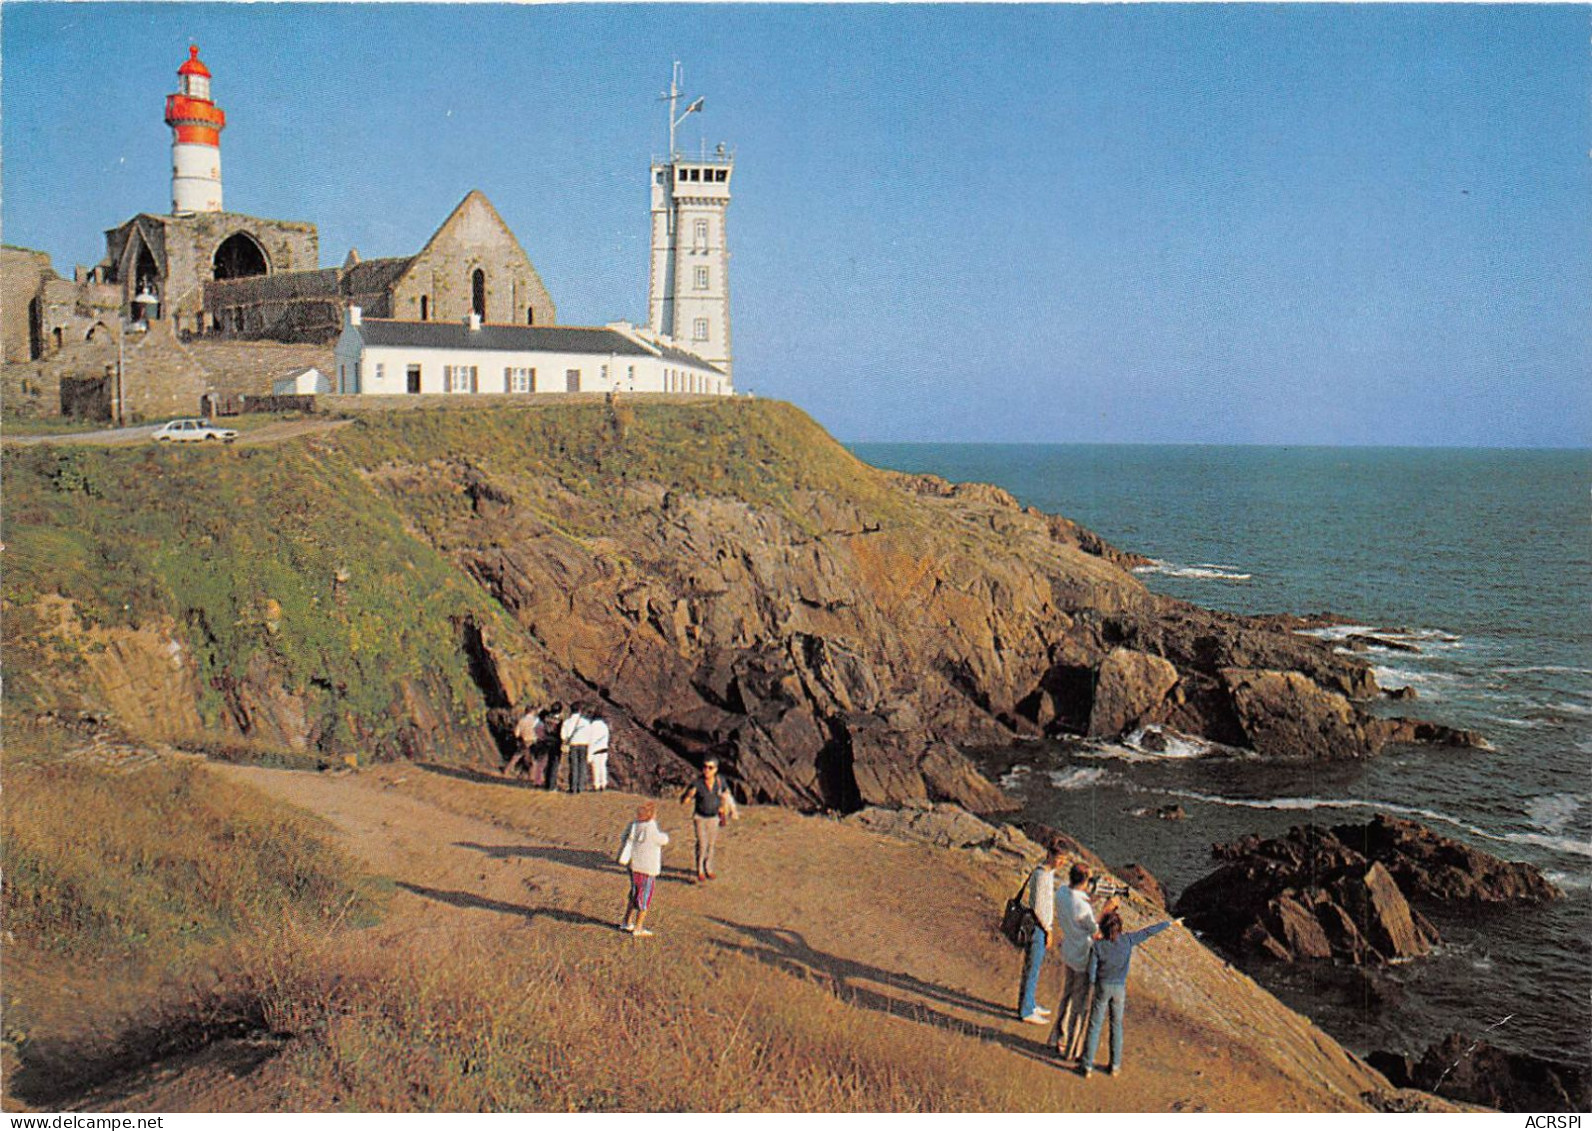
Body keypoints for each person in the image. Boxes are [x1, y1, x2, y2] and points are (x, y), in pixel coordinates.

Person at [1078, 910, 1177, 1078]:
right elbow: (1148, 932)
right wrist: (1169, 924)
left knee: (1095, 1025)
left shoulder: (1098, 946)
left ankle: (1087, 1065)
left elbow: (1091, 972)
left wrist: (1093, 984)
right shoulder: (1127, 941)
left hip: (1102, 986)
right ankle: (1115, 1066)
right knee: (1116, 1026)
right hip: (1119, 989)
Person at [1050, 863, 1119, 1062]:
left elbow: (1080, 909)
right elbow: (1095, 930)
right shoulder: (1082, 906)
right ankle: (1071, 1049)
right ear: (1085, 881)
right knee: (1079, 1005)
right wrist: (1106, 910)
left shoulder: (1062, 891)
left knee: (1066, 995)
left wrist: (1096, 897)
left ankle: (1057, 1037)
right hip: (1082, 957)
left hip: (1069, 951)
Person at [1016, 842, 1065, 1023]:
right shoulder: (1043, 876)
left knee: (1034, 967)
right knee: (1032, 968)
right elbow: (1038, 907)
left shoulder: (1047, 873)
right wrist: (1048, 930)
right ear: (1050, 855)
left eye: (1064, 860)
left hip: (1040, 926)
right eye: (1059, 858)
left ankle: (1029, 1003)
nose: (1061, 863)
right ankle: (1026, 1011)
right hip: (1038, 927)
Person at [679, 757, 736, 882]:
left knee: (711, 844)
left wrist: (728, 808)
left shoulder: (720, 781)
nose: (706, 770)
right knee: (702, 843)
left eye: (710, 768)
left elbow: (727, 794)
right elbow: (684, 801)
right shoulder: (697, 783)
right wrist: (689, 795)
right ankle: (699, 869)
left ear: (715, 769)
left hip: (714, 817)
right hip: (700, 817)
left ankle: (708, 868)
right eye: (705, 767)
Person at [618, 801, 670, 937]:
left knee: (634, 894)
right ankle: (638, 926)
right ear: (652, 815)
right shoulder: (651, 827)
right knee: (644, 897)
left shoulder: (634, 825)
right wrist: (665, 836)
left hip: (634, 866)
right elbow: (662, 840)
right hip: (647, 868)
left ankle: (626, 921)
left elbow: (623, 838)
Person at [503, 703, 539, 778]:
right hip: (533, 742)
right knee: (533, 761)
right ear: (533, 712)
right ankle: (531, 777)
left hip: (523, 741)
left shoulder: (522, 720)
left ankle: (506, 770)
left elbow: (516, 733)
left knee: (516, 756)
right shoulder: (536, 721)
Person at [560, 703, 590, 792]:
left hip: (573, 745)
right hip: (584, 745)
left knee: (573, 766)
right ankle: (580, 787)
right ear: (580, 711)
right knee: (582, 766)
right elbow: (589, 734)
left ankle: (572, 787)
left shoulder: (567, 722)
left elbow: (563, 735)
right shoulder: (586, 722)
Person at [585, 709, 612, 791]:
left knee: (596, 768)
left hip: (595, 749)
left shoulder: (592, 726)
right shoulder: (604, 726)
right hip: (604, 748)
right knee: (603, 767)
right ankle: (603, 784)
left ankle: (596, 785)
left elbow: (591, 740)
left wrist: (589, 754)